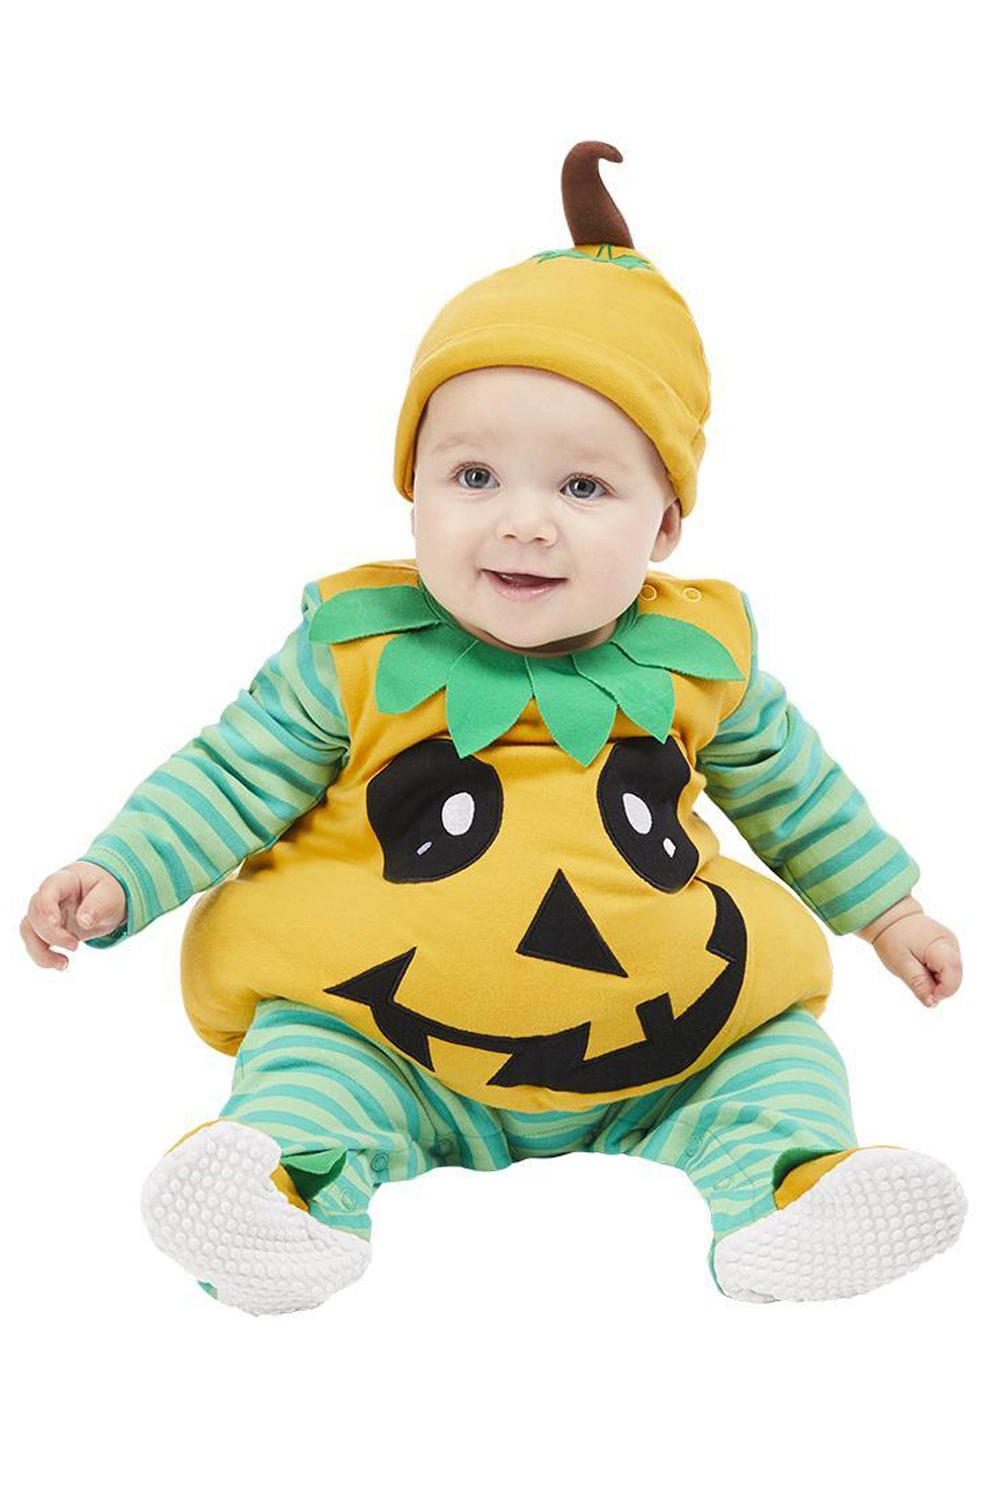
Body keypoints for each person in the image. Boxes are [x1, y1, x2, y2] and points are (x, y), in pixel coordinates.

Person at [20, 141, 966, 1313]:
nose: (524, 524)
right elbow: (229, 780)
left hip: (670, 1044)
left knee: (780, 1058)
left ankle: (789, 1193)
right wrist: (119, 873)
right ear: (412, 488)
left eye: (584, 488)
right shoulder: (356, 654)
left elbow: (798, 792)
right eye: (474, 477)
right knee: (304, 1063)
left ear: (666, 527)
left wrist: (890, 913)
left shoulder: (698, 659)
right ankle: (284, 1199)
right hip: (386, 1036)